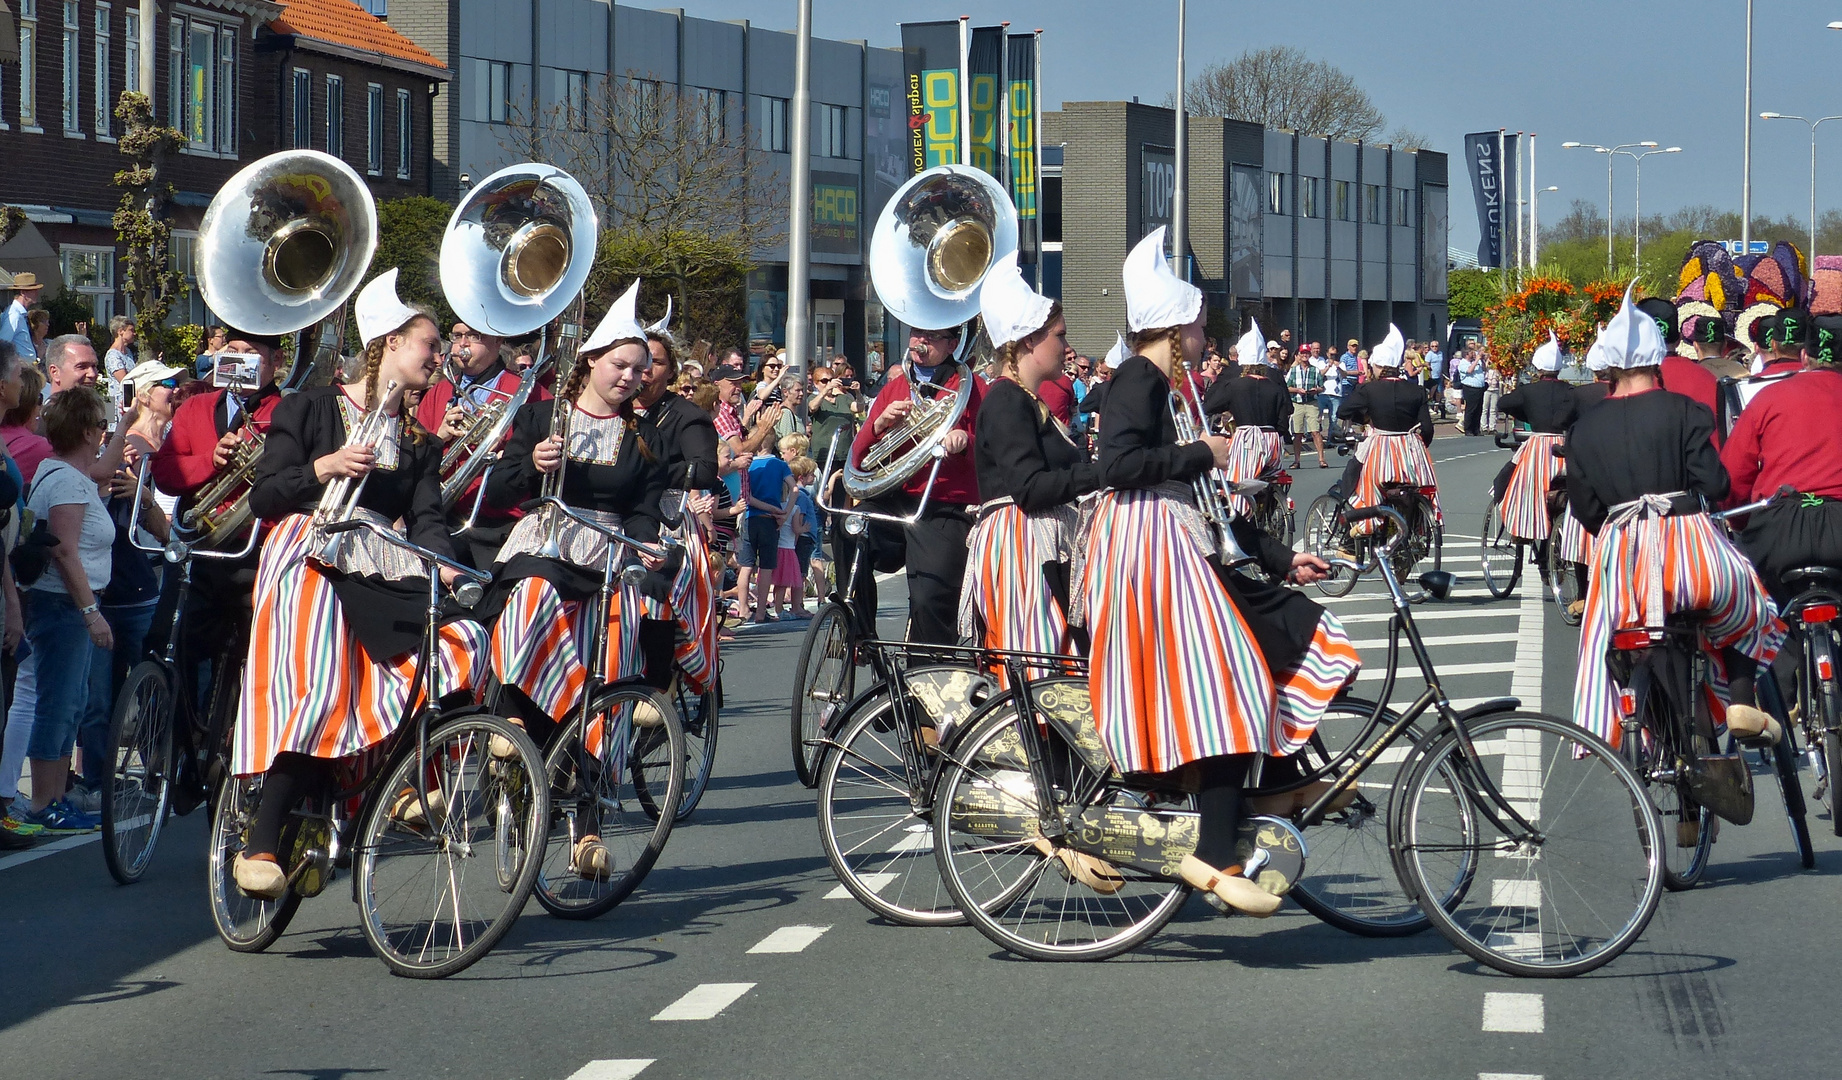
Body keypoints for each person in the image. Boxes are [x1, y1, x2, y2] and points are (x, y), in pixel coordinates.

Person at [1083, 228, 1357, 916]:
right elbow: (1118, 468)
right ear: (1176, 329)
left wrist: (1279, 556)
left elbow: (1210, 507)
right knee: (1223, 688)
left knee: (1261, 650)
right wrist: (1200, 452)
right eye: (1201, 324)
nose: (1208, 334)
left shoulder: (1165, 386)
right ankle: (1215, 847)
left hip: (1174, 543)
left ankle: (1273, 788)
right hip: (1152, 554)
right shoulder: (1139, 380)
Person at [230, 269, 488, 899]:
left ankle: (403, 782)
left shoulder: (418, 441)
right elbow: (264, 495)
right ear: (390, 344)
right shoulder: (311, 407)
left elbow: (428, 519)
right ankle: (260, 841)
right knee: (321, 684)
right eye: (430, 344)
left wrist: (448, 566)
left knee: (462, 645)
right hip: (310, 550)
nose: (439, 356)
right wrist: (323, 465)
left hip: (380, 560)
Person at [1565, 288, 1785, 756]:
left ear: (1609, 366)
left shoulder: (1583, 430)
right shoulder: (1685, 412)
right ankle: (1742, 701)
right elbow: (1717, 484)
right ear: (1657, 360)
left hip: (1624, 567)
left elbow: (1587, 511)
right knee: (1750, 601)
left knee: (1618, 640)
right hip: (1691, 555)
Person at [962, 253, 1101, 684]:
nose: (1065, 345)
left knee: (1059, 666)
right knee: (1038, 671)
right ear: (1027, 342)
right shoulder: (1006, 399)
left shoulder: (1025, 398)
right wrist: (1104, 473)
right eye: (1058, 335)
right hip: (1022, 545)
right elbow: (1028, 487)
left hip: (1037, 541)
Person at [844, 305, 985, 647]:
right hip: (898, 495)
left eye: (932, 336)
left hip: (945, 504)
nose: (920, 341)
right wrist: (879, 425)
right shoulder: (895, 388)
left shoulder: (974, 387)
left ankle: (928, 677)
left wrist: (966, 441)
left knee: (929, 600)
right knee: (848, 525)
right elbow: (859, 456)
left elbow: (993, 447)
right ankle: (857, 630)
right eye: (916, 333)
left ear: (952, 344)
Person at [10, 390, 117, 834]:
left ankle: (53, 798)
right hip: (64, 606)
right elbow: (66, 551)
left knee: (69, 704)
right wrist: (91, 612)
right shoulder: (69, 482)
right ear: (90, 432)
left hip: (61, 604)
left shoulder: (66, 473)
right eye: (102, 426)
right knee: (58, 704)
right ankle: (42, 803)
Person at [77, 360, 180, 808]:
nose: (176, 391)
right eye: (167, 385)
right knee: (99, 700)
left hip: (143, 587)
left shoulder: (159, 450)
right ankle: (98, 780)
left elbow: (165, 530)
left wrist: (141, 489)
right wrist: (112, 471)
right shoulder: (117, 451)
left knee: (150, 690)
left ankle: (154, 773)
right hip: (108, 592)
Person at [1721, 312, 1842, 605]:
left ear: (1804, 356)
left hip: (1778, 529)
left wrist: (1740, 523)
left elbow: (1733, 476)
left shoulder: (1768, 397)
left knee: (1764, 615)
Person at [419, 317, 542, 568]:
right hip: (441, 520)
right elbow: (415, 451)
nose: (462, 345)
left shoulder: (527, 393)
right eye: (457, 335)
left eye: (474, 336)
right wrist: (439, 436)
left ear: (498, 340)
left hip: (501, 526)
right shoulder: (438, 392)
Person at [1335, 326, 1437, 528]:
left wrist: (1364, 418)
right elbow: (1427, 429)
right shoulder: (1416, 391)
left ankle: (1357, 529)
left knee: (1353, 476)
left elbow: (1343, 411)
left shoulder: (1368, 389)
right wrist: (1418, 446)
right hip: (1410, 453)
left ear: (1379, 367)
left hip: (1380, 449)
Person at [1492, 332, 1579, 558]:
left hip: (1538, 447)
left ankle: (1522, 528)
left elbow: (1503, 403)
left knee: (1509, 482)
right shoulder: (1571, 391)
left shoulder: (1528, 391)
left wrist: (1527, 414)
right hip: (1566, 447)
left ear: (1538, 368)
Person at [1202, 321, 1292, 515]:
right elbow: (1284, 419)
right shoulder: (1275, 387)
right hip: (1273, 444)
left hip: (1248, 442)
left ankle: (1238, 517)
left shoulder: (1236, 386)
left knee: (1230, 479)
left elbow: (1209, 407)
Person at [807, 363, 864, 463]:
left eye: (830, 380)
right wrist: (827, 389)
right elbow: (812, 407)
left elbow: (859, 408)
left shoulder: (843, 398)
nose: (828, 383)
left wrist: (858, 392)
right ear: (816, 384)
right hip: (824, 454)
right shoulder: (813, 398)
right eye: (824, 381)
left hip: (845, 452)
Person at [1283, 344, 1328, 468]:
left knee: (1315, 432)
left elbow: (1322, 387)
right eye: (1302, 353)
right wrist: (1297, 390)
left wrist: (1316, 390)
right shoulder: (1293, 370)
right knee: (1297, 433)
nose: (1305, 355)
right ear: (1298, 355)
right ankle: (1297, 461)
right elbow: (1287, 387)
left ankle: (1321, 459)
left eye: (1307, 353)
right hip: (1297, 403)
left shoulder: (1315, 370)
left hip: (1311, 403)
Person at [2, 272, 44, 361]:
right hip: (22, 370)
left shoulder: (19, 314)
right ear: (23, 292)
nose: (37, 293)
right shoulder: (14, 315)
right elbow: (2, 344)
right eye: (33, 290)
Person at [1454, 344, 1489, 435]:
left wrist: (1481, 360)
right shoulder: (1463, 363)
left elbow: (1484, 369)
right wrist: (1477, 359)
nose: (1474, 354)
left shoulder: (1476, 361)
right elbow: (1469, 371)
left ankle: (1476, 429)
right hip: (1470, 388)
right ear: (1467, 354)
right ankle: (1468, 429)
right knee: (1471, 409)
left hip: (1479, 388)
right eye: (1471, 353)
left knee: (1478, 409)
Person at [1423, 338, 1446, 418]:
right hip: (1432, 376)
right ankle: (1430, 408)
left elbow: (1441, 364)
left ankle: (1437, 408)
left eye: (1436, 346)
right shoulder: (1429, 354)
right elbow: (1427, 364)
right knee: (1431, 393)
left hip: (1439, 376)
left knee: (1439, 392)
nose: (1434, 347)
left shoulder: (1440, 353)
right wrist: (1430, 374)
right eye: (1432, 346)